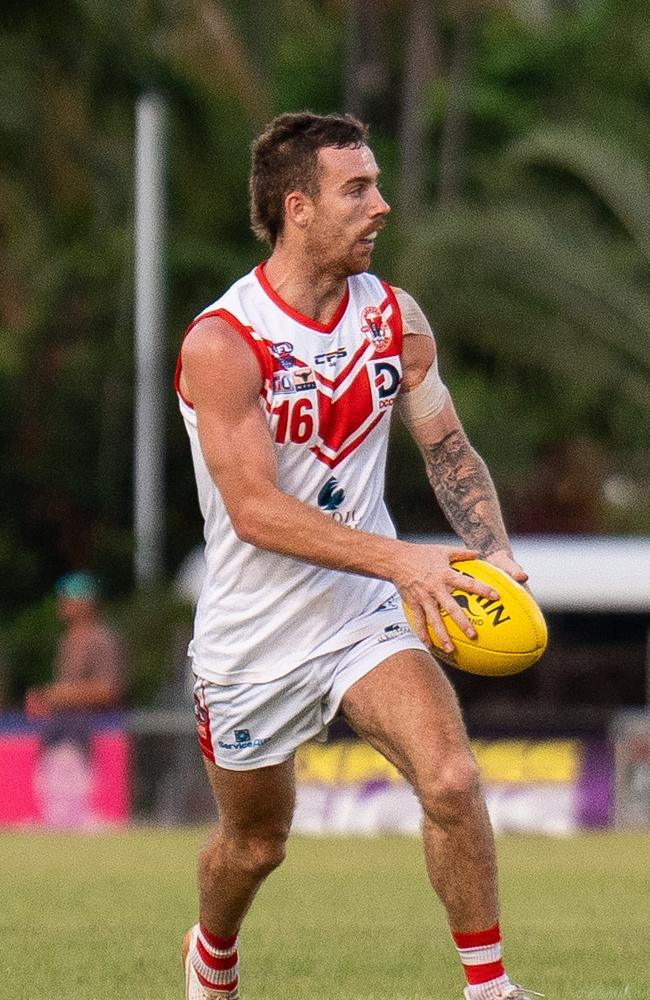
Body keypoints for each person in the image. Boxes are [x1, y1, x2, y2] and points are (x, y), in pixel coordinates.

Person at [176, 112, 541, 1000]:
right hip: (252, 636)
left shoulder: (395, 319)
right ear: (297, 208)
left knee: (451, 780)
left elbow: (447, 445)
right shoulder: (224, 344)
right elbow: (257, 513)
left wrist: (494, 554)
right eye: (358, 189)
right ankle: (212, 954)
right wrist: (404, 561)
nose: (382, 205)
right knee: (256, 846)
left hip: (362, 615)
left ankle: (489, 990)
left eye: (377, 183)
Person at [25, 572, 124, 717]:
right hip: (71, 726)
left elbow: (110, 691)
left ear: (87, 603)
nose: (61, 602)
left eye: (67, 598)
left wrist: (57, 695)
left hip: (98, 730)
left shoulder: (101, 640)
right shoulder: (67, 639)